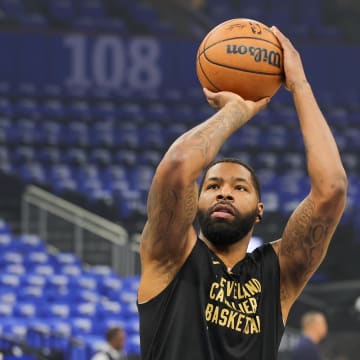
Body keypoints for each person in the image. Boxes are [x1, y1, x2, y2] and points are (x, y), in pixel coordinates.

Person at [137, 26, 347, 360]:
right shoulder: (171, 255)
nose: (224, 193)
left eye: (240, 187)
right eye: (213, 185)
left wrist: (299, 86)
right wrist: (234, 111)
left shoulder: (277, 276)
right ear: (197, 200)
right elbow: (177, 167)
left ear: (260, 209)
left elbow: (332, 189)